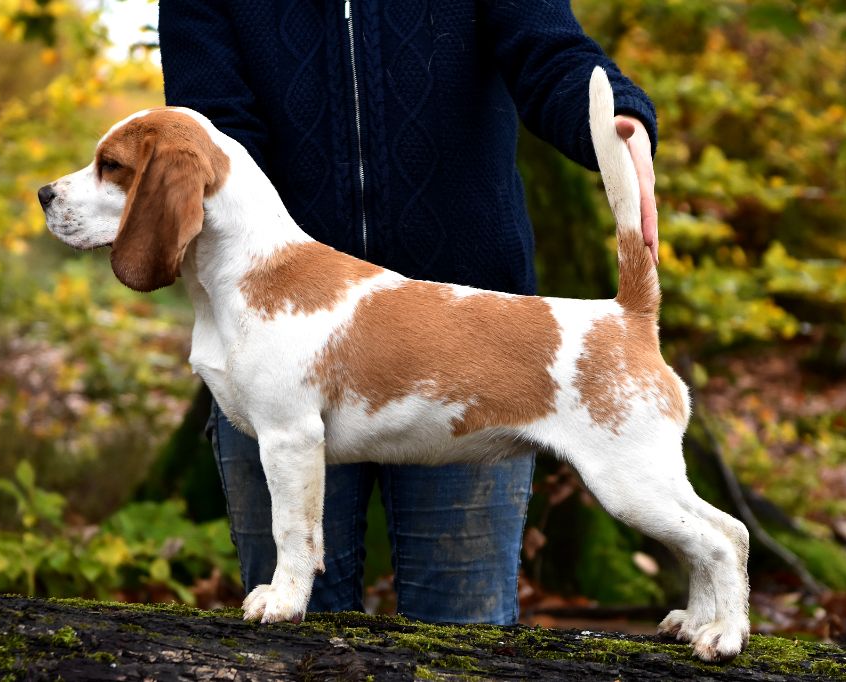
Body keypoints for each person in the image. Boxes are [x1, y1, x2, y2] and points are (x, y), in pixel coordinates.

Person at [159, 0, 659, 625]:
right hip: (275, 337)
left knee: (463, 637)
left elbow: (548, 52)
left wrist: (618, 120)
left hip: (475, 342)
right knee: (291, 633)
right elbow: (214, 138)